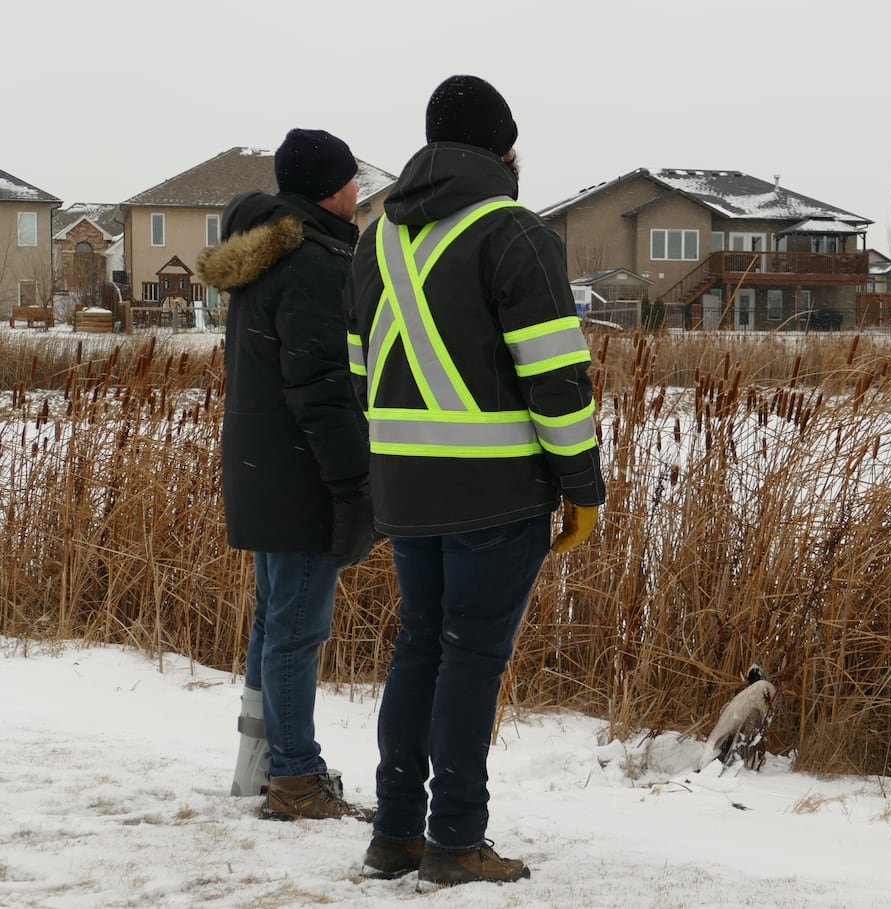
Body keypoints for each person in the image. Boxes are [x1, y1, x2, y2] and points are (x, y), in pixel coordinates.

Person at [344, 75, 605, 886]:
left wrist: (398, 465)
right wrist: (584, 489)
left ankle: (396, 833)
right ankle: (455, 840)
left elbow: (360, 373)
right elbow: (557, 378)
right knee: (470, 660)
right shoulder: (515, 233)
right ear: (503, 149)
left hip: (407, 494)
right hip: (495, 495)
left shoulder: (374, 240)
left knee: (419, 649)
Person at [198, 127, 377, 821]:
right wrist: (352, 484)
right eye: (353, 181)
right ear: (328, 189)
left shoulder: (267, 252)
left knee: (275, 621)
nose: (359, 192)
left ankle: (263, 765)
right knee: (297, 628)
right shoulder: (313, 263)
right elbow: (323, 389)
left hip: (263, 467)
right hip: (301, 475)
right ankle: (296, 776)